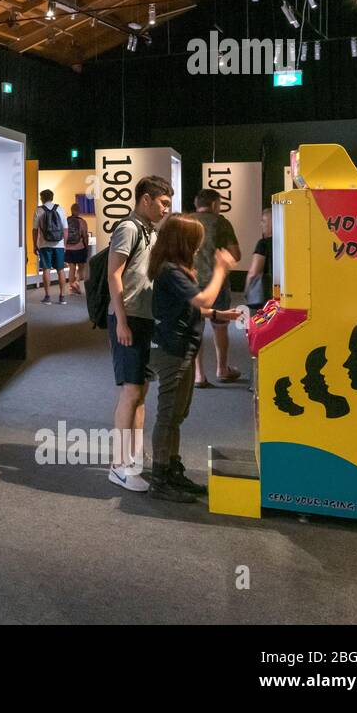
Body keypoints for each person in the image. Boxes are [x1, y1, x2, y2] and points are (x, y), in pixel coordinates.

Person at [147, 214, 235, 502]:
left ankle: (171, 470)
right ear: (184, 241)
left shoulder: (177, 269)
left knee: (177, 414)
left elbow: (193, 308)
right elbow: (202, 300)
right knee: (169, 415)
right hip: (172, 350)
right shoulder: (170, 270)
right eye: (197, 239)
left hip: (182, 347)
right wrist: (221, 270)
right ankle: (160, 479)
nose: (200, 245)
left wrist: (219, 314)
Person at [106, 175, 174, 492]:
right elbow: (114, 274)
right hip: (129, 318)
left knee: (141, 392)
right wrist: (121, 320)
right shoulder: (129, 228)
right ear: (145, 199)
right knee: (131, 391)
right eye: (163, 203)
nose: (166, 209)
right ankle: (119, 466)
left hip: (145, 319)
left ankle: (131, 458)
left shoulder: (151, 231)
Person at [191, 189, 242, 386]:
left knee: (195, 326)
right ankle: (222, 369)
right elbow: (236, 254)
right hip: (217, 282)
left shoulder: (187, 222)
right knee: (220, 326)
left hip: (192, 282)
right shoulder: (221, 222)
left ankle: (198, 374)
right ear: (214, 205)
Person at [33, 189, 68, 304]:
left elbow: (35, 230)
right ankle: (62, 297)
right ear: (52, 197)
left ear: (41, 198)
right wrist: (65, 245)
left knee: (46, 269)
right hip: (59, 244)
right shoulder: (60, 209)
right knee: (61, 270)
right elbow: (65, 229)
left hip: (44, 244)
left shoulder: (39, 210)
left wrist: (35, 245)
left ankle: (47, 297)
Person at [245, 208, 272, 312]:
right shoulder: (288, 242)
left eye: (264, 221)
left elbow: (254, 272)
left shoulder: (263, 244)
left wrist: (247, 290)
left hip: (265, 295)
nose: (261, 224)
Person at [64, 203, 90, 295]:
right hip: (79, 248)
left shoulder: (66, 221)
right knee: (82, 268)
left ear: (71, 210)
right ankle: (76, 282)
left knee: (72, 268)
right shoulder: (82, 221)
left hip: (68, 248)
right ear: (78, 211)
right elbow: (85, 235)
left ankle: (72, 288)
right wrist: (86, 247)